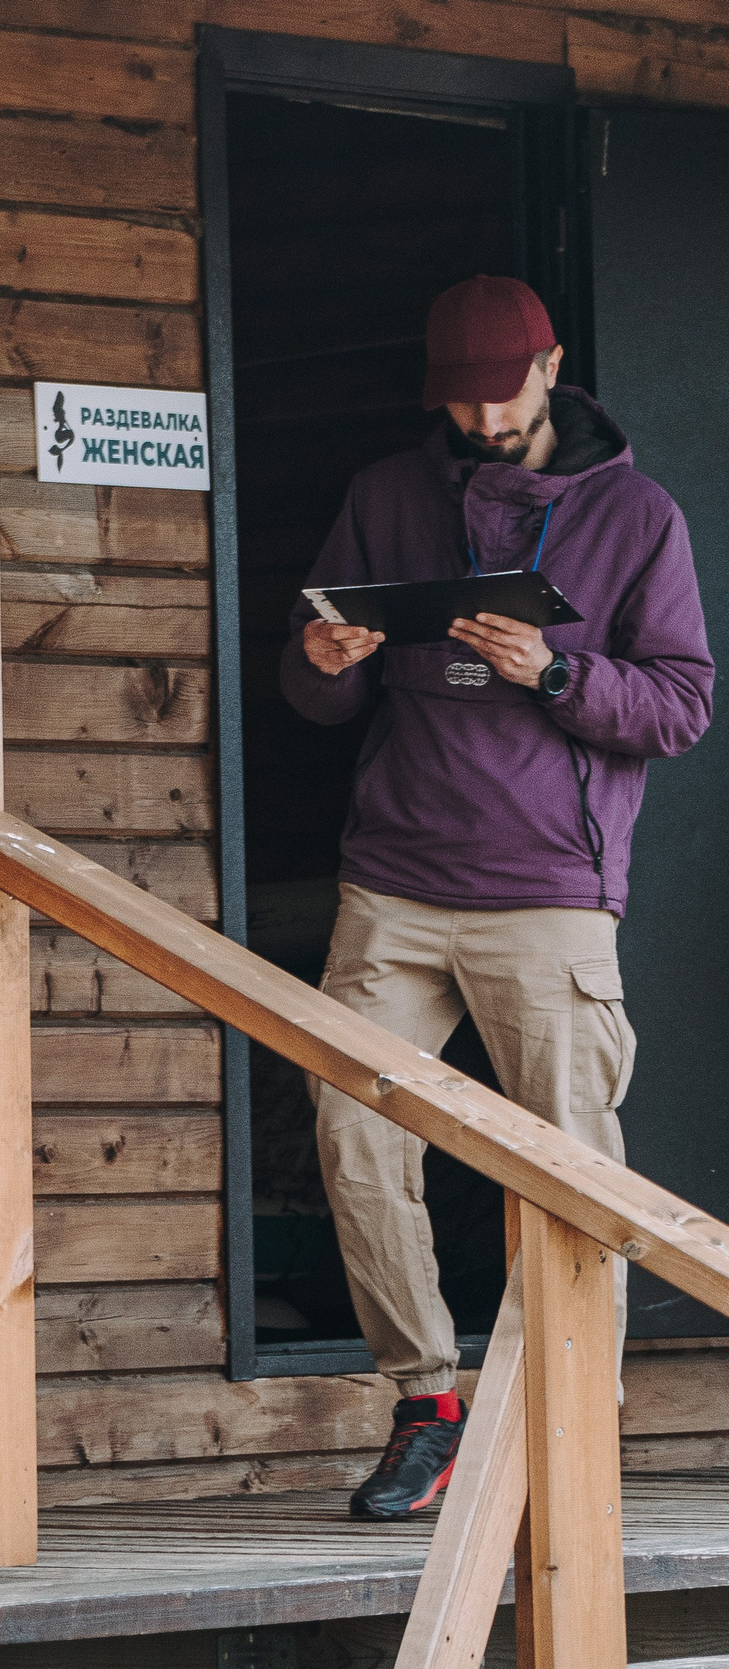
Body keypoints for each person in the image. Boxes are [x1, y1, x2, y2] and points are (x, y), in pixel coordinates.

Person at [284, 275, 712, 1520]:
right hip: (393, 880)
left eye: (502, 394)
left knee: (570, 1165)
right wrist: (321, 659)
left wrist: (555, 672)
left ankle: (562, 1425)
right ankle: (426, 1406)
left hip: (547, 887)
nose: (483, 420)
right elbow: (318, 695)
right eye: (461, 402)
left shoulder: (636, 514)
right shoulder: (384, 495)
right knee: (350, 1128)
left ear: (551, 368)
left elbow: (681, 704)